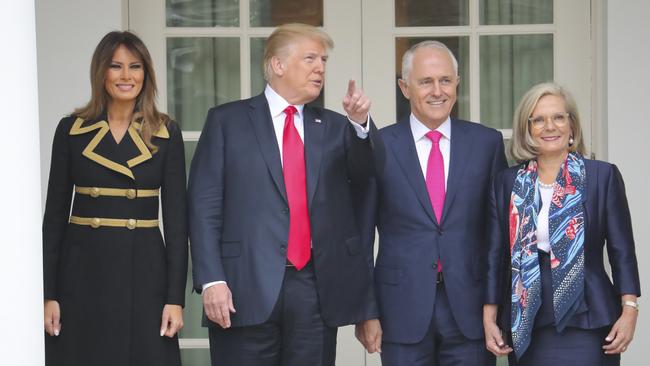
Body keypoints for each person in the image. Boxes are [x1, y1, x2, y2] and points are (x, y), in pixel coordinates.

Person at [188, 23, 379, 366]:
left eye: (323, 60)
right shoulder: (226, 122)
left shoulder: (336, 126)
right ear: (277, 65)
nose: (320, 67)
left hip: (314, 287)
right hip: (242, 286)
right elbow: (204, 206)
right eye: (310, 58)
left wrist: (360, 124)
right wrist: (212, 279)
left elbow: (366, 175)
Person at [355, 40, 507, 365]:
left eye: (445, 80)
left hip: (471, 310)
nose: (437, 91)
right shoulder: (379, 146)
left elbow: (499, 235)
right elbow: (362, 235)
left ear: (457, 84)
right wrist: (366, 311)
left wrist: (496, 304)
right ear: (405, 87)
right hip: (400, 309)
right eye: (425, 81)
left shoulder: (487, 143)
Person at [42, 31, 188, 366]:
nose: (126, 76)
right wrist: (49, 294)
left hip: (145, 278)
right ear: (101, 73)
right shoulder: (71, 130)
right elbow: (53, 221)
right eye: (116, 66)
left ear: (145, 74)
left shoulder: (166, 133)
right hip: (81, 277)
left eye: (135, 67)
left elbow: (179, 226)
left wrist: (174, 299)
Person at [483, 82, 641, 365]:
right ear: (527, 129)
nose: (550, 126)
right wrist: (489, 317)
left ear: (572, 125)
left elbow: (622, 252)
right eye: (539, 120)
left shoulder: (601, 177)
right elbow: (495, 256)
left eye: (558, 117)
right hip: (526, 321)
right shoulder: (506, 183)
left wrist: (629, 310)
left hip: (588, 319)